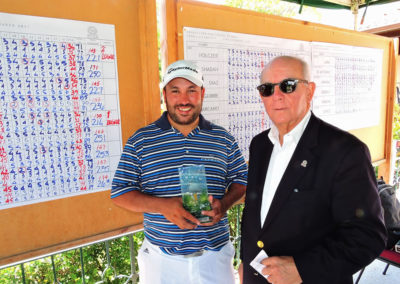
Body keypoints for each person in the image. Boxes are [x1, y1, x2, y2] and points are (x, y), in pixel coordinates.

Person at [240, 56, 387, 284]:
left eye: (288, 86)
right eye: (267, 89)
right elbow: (255, 215)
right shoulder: (260, 145)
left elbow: (367, 236)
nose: (276, 95)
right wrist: (246, 260)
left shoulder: (346, 151)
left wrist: (301, 269)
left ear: (310, 91)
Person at [111, 60, 247, 284]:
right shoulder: (142, 140)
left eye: (191, 91)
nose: (184, 100)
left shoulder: (222, 138)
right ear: (165, 94)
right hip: (162, 262)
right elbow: (120, 192)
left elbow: (242, 179)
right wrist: (163, 206)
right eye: (175, 91)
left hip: (214, 258)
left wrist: (224, 204)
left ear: (202, 93)